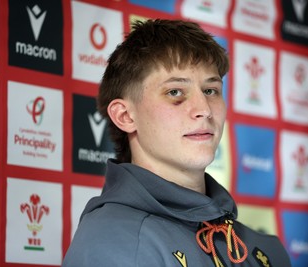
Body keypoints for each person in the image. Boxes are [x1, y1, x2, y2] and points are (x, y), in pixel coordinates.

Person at [63, 19, 291, 267]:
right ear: (126, 116)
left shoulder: (264, 249)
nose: (204, 110)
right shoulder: (115, 244)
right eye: (175, 92)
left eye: (210, 90)